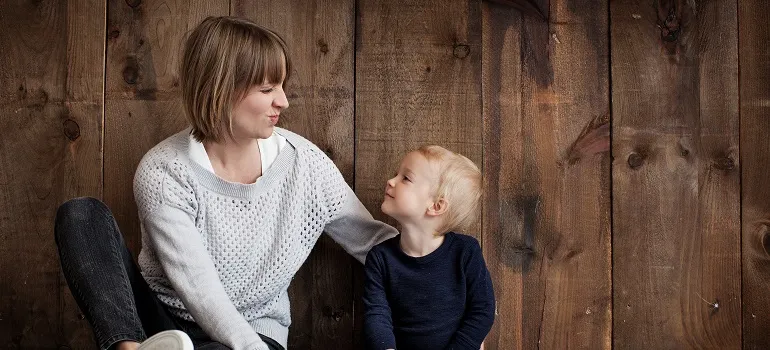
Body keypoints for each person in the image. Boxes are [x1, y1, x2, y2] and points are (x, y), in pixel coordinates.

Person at [54, 15, 397, 350]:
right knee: (80, 216)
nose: (283, 101)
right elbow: (197, 286)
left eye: (281, 86)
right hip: (160, 321)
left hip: (254, 330)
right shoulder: (164, 171)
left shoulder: (305, 164)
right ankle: (129, 348)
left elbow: (372, 241)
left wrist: (448, 262)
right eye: (267, 89)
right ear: (221, 90)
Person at [363, 146, 495, 350]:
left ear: (436, 206)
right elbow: (377, 315)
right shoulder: (380, 258)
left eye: (405, 178)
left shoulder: (465, 252)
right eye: (396, 175)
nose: (391, 181)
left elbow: (483, 310)